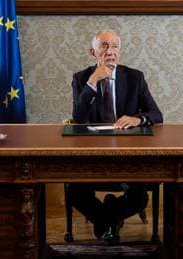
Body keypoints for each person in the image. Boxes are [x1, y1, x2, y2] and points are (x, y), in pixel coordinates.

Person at [68, 29, 163, 245]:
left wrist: (137, 119)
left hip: (127, 152)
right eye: (104, 46)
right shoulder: (82, 78)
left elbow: (156, 114)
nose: (110, 51)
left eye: (114, 46)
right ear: (93, 53)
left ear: (120, 51)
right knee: (74, 192)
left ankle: (105, 219)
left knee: (139, 197)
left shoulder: (134, 77)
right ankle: (111, 221)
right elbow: (78, 119)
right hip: (92, 152)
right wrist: (93, 82)